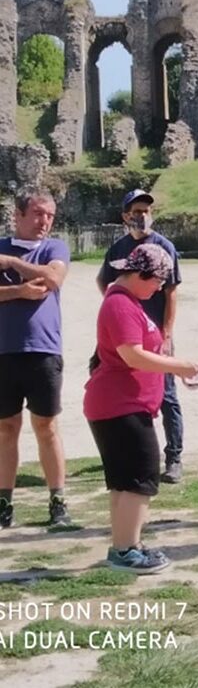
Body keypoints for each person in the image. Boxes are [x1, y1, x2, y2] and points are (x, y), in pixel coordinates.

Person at [85, 244, 198, 573]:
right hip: (121, 405)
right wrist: (178, 366)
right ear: (140, 274)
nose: (160, 289)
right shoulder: (121, 305)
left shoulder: (124, 301)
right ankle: (125, 550)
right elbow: (132, 355)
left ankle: (126, 544)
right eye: (158, 282)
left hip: (120, 404)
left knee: (124, 481)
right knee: (141, 476)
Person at [98, 189, 184, 483]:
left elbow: (172, 292)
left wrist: (167, 333)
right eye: (136, 211)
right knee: (123, 389)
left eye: (146, 210)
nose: (142, 215)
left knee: (167, 395)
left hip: (155, 334)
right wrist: (120, 311)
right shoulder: (119, 248)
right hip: (126, 336)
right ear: (125, 216)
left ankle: (174, 457)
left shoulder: (164, 246)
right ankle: (127, 447)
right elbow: (104, 282)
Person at [0, 190, 71, 529]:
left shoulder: (55, 249)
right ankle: (4, 503)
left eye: (50, 216)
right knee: (6, 429)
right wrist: (18, 291)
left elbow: (53, 279)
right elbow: (35, 285)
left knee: (47, 427)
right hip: (4, 352)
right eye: (38, 213)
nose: (44, 221)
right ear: (18, 214)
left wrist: (12, 264)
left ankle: (58, 500)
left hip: (43, 350)